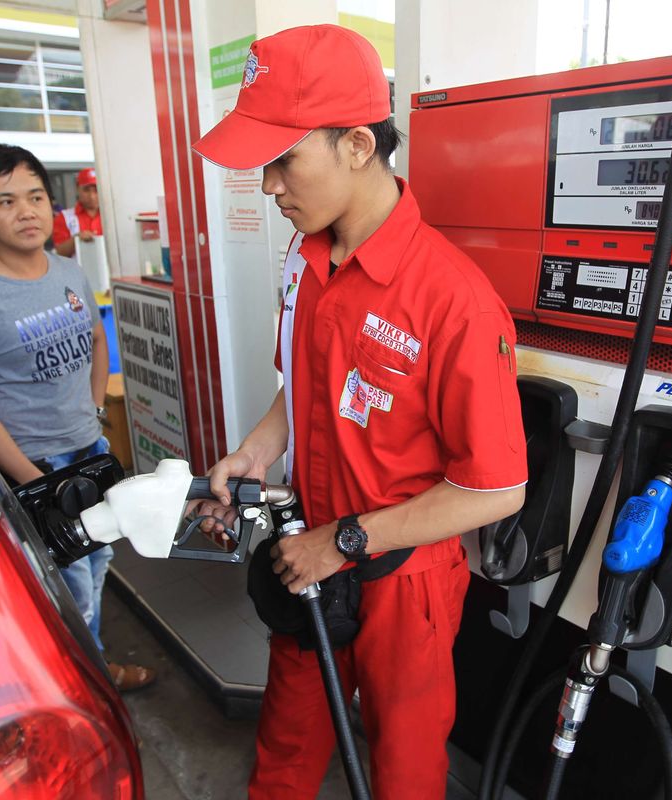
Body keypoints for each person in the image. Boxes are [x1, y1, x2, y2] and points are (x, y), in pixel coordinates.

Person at [191, 25, 528, 799]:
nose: (269, 186)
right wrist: (255, 452)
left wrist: (343, 542)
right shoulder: (304, 261)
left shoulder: (454, 300)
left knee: (404, 771)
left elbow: (497, 490)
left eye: (282, 160)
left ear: (355, 144)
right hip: (306, 554)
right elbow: (303, 385)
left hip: (400, 579)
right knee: (283, 755)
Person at [0, 144, 154, 692]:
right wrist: (37, 482)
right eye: (5, 201)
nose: (26, 211)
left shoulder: (67, 271)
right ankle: (86, 686)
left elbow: (96, 347)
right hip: (34, 463)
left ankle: (87, 670)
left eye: (35, 196)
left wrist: (96, 413)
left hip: (88, 452)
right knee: (68, 585)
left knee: (99, 564)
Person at [52, 166, 102, 258]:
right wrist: (76, 240)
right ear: (78, 189)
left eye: (96, 190)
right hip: (76, 271)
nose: (92, 196)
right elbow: (59, 253)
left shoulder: (110, 218)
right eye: (86, 190)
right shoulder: (64, 217)